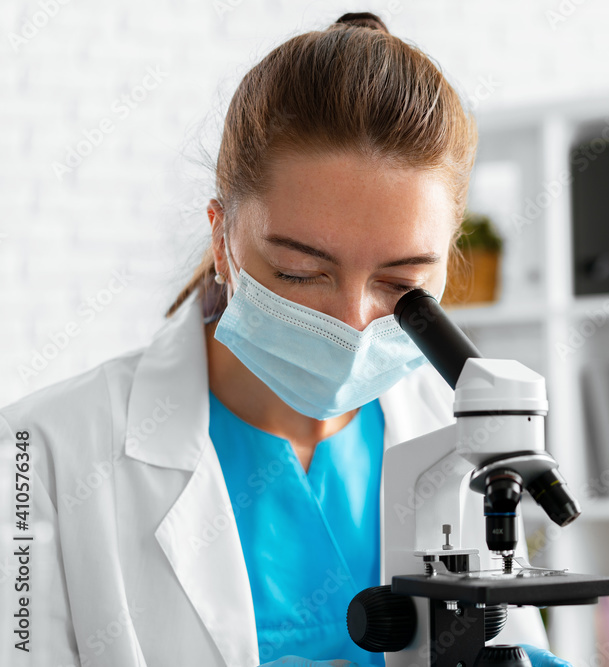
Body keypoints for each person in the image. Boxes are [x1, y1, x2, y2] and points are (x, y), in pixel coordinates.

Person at [0, 12, 570, 666]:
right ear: (222, 239)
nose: (353, 320)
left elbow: (507, 643)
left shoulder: (453, 435)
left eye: (401, 282)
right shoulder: (35, 456)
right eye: (301, 273)